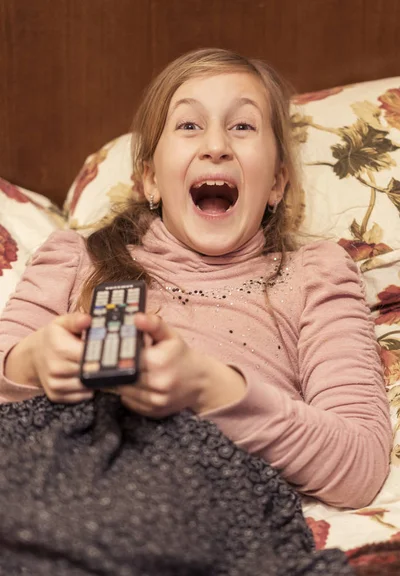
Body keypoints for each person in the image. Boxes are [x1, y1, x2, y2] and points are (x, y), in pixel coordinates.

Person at [0, 48, 392, 510]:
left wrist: (209, 389)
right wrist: (30, 363)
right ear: (149, 179)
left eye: (242, 126)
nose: (216, 145)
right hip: (55, 481)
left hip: (203, 508)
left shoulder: (315, 273)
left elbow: (359, 467)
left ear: (277, 184)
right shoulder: (76, 257)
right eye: (189, 125)